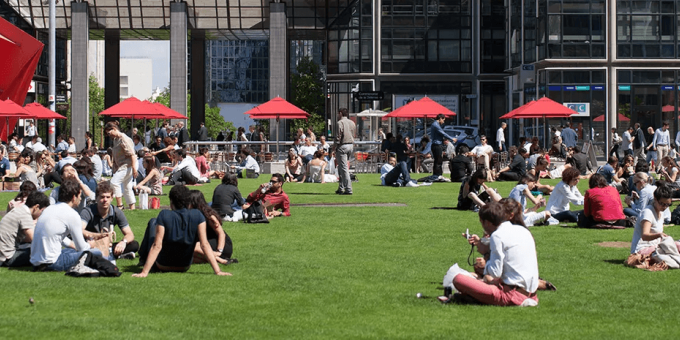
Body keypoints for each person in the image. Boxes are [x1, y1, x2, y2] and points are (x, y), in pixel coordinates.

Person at [451, 201, 540, 307]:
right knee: (482, 280)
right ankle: (473, 297)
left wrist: (486, 255)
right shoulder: (523, 230)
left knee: (458, 279)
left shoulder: (497, 235)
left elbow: (495, 272)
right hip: (531, 293)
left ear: (487, 222)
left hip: (510, 294)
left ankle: (476, 297)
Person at [135, 185, 231, 277]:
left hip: (163, 265)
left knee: (153, 222)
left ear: (171, 202)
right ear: (188, 202)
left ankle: (143, 259)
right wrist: (218, 271)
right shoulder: (197, 215)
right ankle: (143, 258)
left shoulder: (164, 214)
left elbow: (157, 245)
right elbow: (204, 244)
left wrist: (144, 272)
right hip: (184, 266)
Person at [30, 179, 103, 271]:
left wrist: (73, 245)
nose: (80, 199)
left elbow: (59, 236)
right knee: (97, 252)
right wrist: (90, 244)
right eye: (79, 195)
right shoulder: (71, 214)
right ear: (74, 197)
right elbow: (82, 248)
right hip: (52, 263)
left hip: (36, 262)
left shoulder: (48, 209)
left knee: (72, 250)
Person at [80, 181, 139, 260]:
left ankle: (110, 253)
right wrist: (97, 236)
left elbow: (129, 234)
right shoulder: (88, 211)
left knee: (134, 245)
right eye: (102, 197)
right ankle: (116, 255)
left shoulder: (116, 212)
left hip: (108, 245)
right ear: (96, 198)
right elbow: (80, 230)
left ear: (112, 198)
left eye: (107, 197)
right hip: (91, 243)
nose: (105, 200)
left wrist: (123, 243)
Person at [0, 192, 49, 267]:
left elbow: (27, 239)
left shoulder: (19, 210)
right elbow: (33, 239)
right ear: (36, 207)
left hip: (3, 253)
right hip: (7, 258)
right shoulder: (25, 214)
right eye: (42, 211)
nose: (41, 214)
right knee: (44, 252)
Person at [630, 184, 677, 255]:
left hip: (655, 247)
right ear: (655, 199)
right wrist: (659, 235)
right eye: (662, 203)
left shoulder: (661, 212)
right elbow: (644, 236)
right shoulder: (647, 212)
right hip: (642, 248)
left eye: (668, 204)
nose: (665, 207)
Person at [104, 122, 137, 210]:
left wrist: (134, 168)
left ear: (114, 129)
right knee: (127, 187)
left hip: (127, 165)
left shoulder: (123, 138)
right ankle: (132, 208)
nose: (109, 135)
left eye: (109, 133)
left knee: (114, 182)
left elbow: (132, 154)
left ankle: (120, 206)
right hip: (122, 165)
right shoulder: (115, 140)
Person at [333, 108, 356, 195]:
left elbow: (338, 137)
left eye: (338, 114)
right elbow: (354, 134)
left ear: (340, 113)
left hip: (342, 146)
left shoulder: (340, 123)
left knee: (344, 168)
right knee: (341, 167)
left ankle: (348, 189)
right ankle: (341, 187)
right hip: (350, 145)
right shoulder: (352, 122)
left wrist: (334, 147)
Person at [430, 114, 457, 180]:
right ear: (440, 118)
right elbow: (443, 133)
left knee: (437, 160)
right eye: (443, 120)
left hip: (436, 144)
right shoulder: (436, 125)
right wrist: (451, 138)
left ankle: (436, 174)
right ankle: (438, 175)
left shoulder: (435, 124)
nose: (443, 122)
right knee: (438, 161)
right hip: (437, 145)